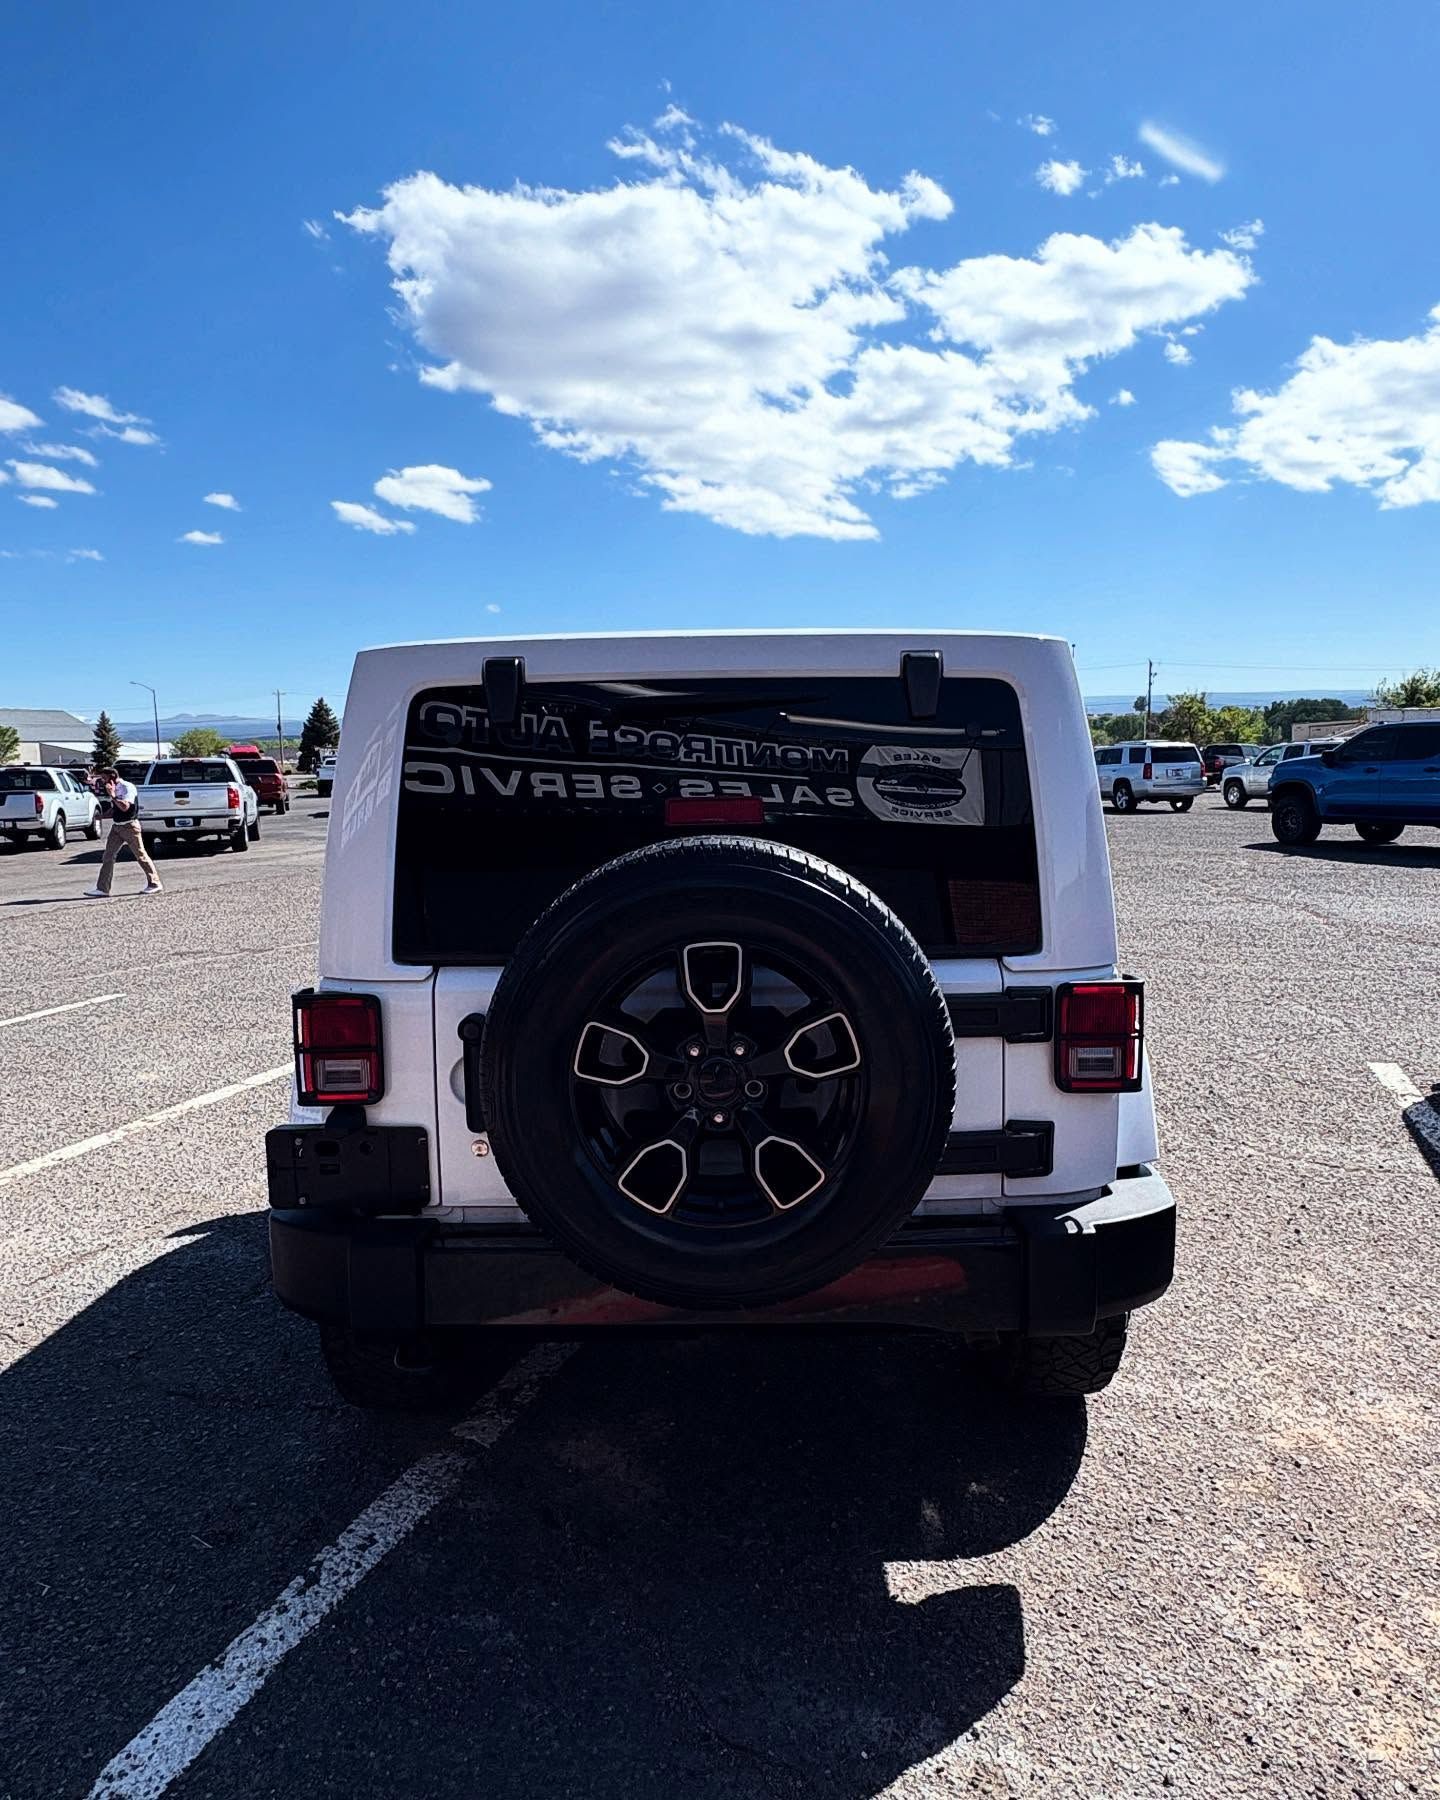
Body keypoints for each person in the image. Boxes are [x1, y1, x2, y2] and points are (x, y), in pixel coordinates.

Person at [84, 768, 163, 897]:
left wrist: (113, 795)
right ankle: (103, 889)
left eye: (105, 778)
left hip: (130, 826)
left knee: (140, 855)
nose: (104, 782)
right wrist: (101, 816)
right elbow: (115, 809)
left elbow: (125, 807)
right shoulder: (114, 788)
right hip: (117, 827)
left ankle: (155, 883)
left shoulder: (127, 787)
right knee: (108, 856)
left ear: (113, 776)